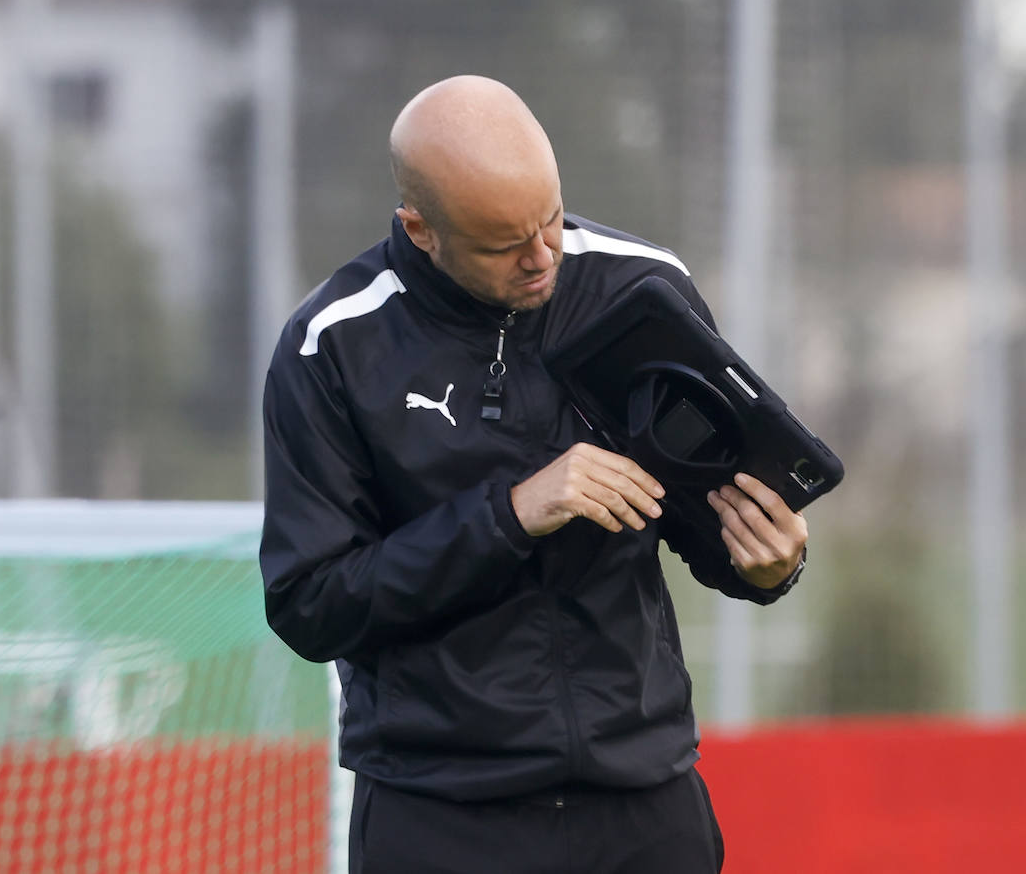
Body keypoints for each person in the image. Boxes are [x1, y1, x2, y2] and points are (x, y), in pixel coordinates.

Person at [259, 75, 808, 874]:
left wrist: (769, 563)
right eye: (503, 243)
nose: (542, 254)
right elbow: (310, 604)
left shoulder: (642, 289)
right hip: (440, 814)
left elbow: (708, 515)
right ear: (421, 229)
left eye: (550, 216)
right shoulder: (333, 346)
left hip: (645, 806)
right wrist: (509, 515)